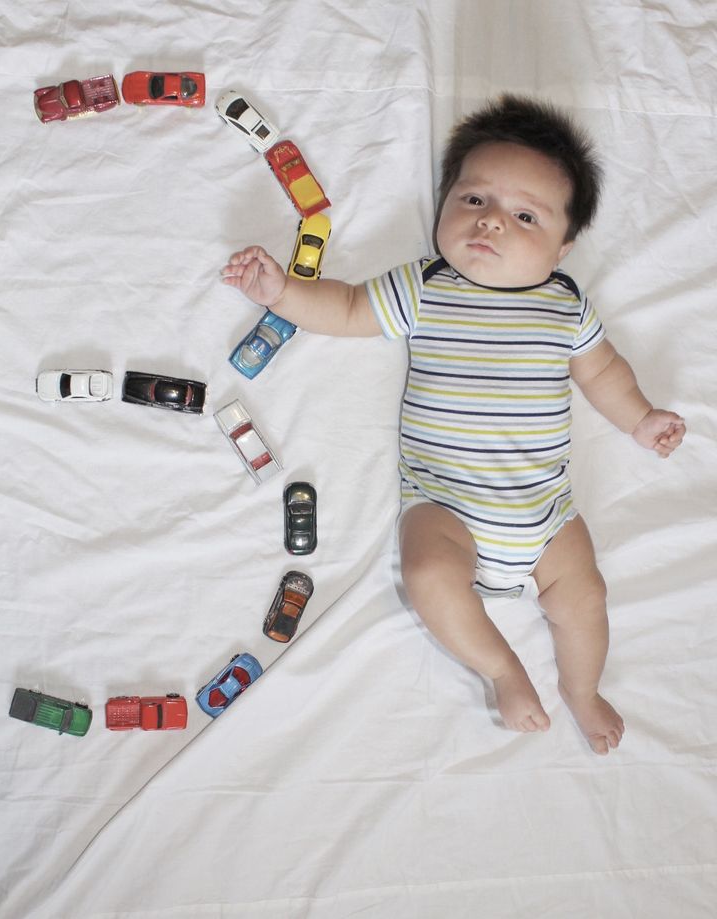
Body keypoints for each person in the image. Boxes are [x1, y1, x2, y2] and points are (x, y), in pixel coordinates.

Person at [220, 95, 685, 754]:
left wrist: (640, 420)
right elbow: (351, 307)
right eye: (474, 201)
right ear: (444, 204)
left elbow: (603, 373)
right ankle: (502, 669)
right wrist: (283, 295)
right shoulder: (429, 286)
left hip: (546, 514)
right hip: (446, 506)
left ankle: (582, 688)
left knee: (584, 596)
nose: (492, 222)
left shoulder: (565, 305)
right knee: (429, 574)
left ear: (563, 245)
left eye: (524, 215)